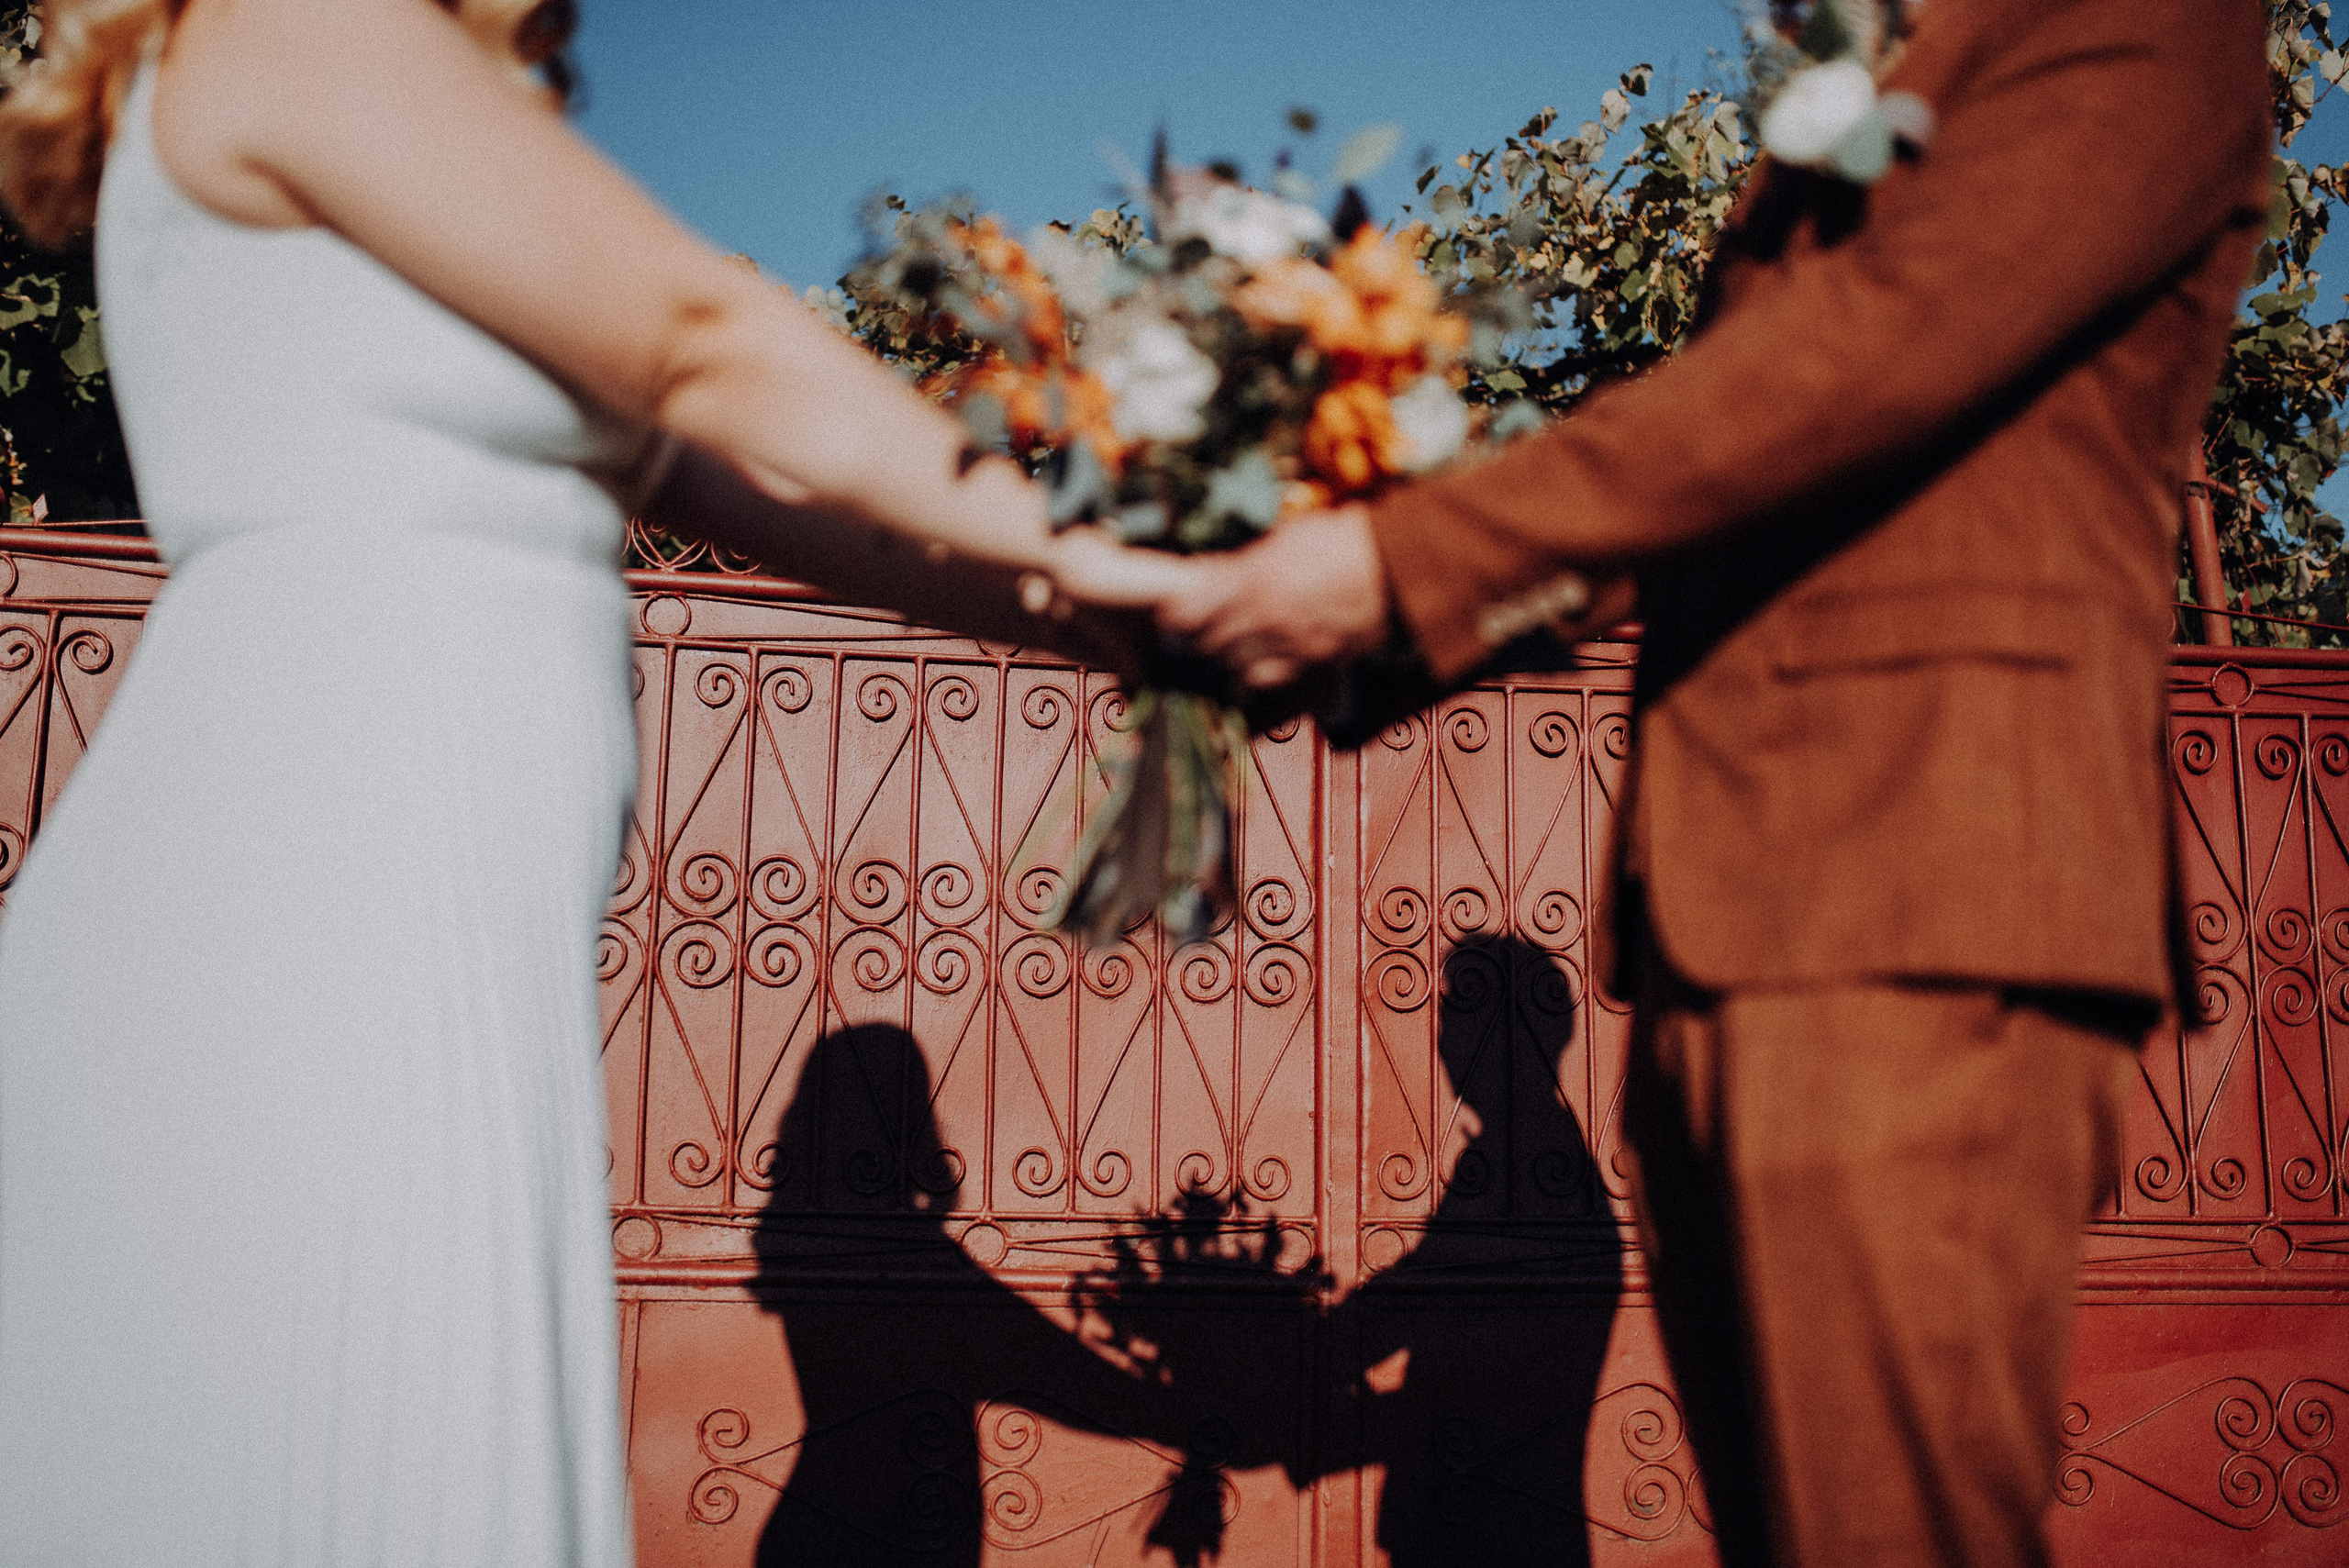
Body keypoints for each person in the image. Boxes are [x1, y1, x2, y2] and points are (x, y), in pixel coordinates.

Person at [0, 1, 1169, 1562]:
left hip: (418, 900)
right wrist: (1108, 557)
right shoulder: (299, 15)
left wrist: (1123, 623)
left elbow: (762, 490)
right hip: (311, 879)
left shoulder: (423, 133)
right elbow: (700, 334)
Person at [1157, 0, 2274, 1563]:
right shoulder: (1864, 91)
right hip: (1735, 911)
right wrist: (1347, 625)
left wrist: (1402, 565)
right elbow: (1725, 481)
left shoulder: (2137, 24)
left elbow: (1873, 349)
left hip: (1930, 885)